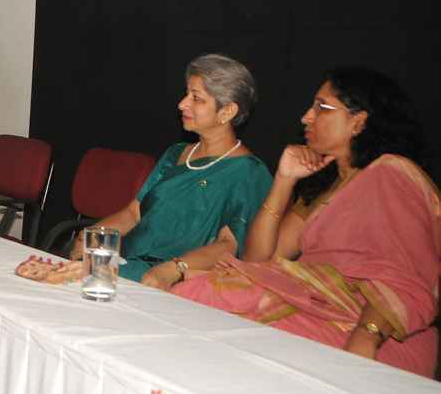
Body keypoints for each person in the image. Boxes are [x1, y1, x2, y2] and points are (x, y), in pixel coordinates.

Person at [172, 68, 440, 377]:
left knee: (213, 309)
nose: (306, 117)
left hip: (376, 333)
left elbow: (403, 278)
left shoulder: (390, 173)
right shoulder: (325, 190)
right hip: (320, 310)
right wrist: (284, 180)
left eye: (322, 107)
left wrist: (366, 335)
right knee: (193, 294)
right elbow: (259, 259)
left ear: (358, 121)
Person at [65, 53, 272, 285]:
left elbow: (229, 245)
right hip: (126, 264)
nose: (182, 104)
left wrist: (175, 268)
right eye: (186, 94)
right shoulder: (176, 154)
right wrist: (93, 236)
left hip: (179, 281)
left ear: (227, 111)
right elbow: (134, 213)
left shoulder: (249, 172)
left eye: (196, 98)